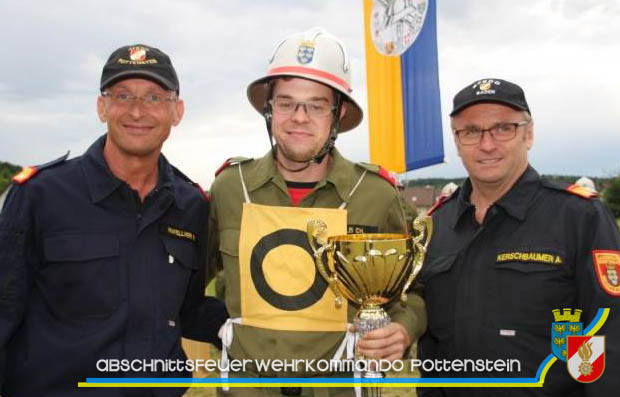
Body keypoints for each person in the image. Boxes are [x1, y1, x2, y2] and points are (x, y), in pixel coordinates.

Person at [207, 28, 426, 396]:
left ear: (337, 114)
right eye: (287, 102)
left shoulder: (376, 195)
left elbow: (415, 289)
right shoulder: (230, 189)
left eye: (317, 105)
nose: (299, 117)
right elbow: (189, 281)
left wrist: (403, 329)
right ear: (269, 109)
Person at [0, 44, 228, 396]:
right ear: (102, 106)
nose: (138, 111)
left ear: (176, 111)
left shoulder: (190, 204)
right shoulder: (40, 196)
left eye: (154, 97)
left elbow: (188, 307)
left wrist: (265, 329)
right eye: (123, 95)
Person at [417, 78, 620, 396]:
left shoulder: (579, 217)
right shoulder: (436, 226)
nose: (486, 145)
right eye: (471, 131)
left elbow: (608, 334)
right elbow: (430, 347)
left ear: (528, 134)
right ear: (457, 142)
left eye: (502, 128)